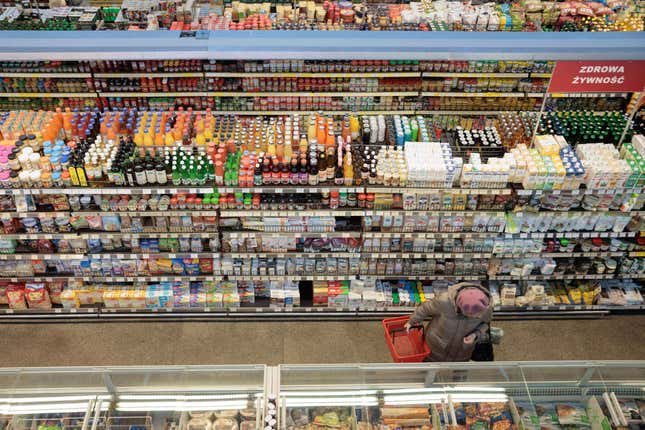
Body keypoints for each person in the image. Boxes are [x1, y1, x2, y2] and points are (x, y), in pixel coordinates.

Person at [404, 282, 493, 362]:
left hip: (462, 352)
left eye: (477, 315)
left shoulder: (486, 308)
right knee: (430, 369)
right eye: (470, 315)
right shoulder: (444, 302)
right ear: (459, 306)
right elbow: (425, 309)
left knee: (455, 374)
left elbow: (485, 324)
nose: (475, 317)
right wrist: (411, 321)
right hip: (436, 346)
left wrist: (475, 334)